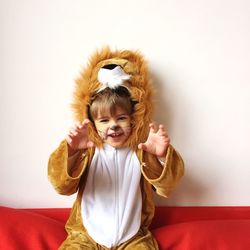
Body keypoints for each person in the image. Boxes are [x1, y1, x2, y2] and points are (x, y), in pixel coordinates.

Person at [48, 48, 184, 250]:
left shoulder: (142, 149)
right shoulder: (88, 150)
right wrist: (72, 151)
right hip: (85, 236)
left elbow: (168, 187)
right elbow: (62, 186)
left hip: (132, 236)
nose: (114, 126)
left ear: (134, 118)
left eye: (121, 118)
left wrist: (161, 155)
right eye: (104, 120)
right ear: (92, 123)